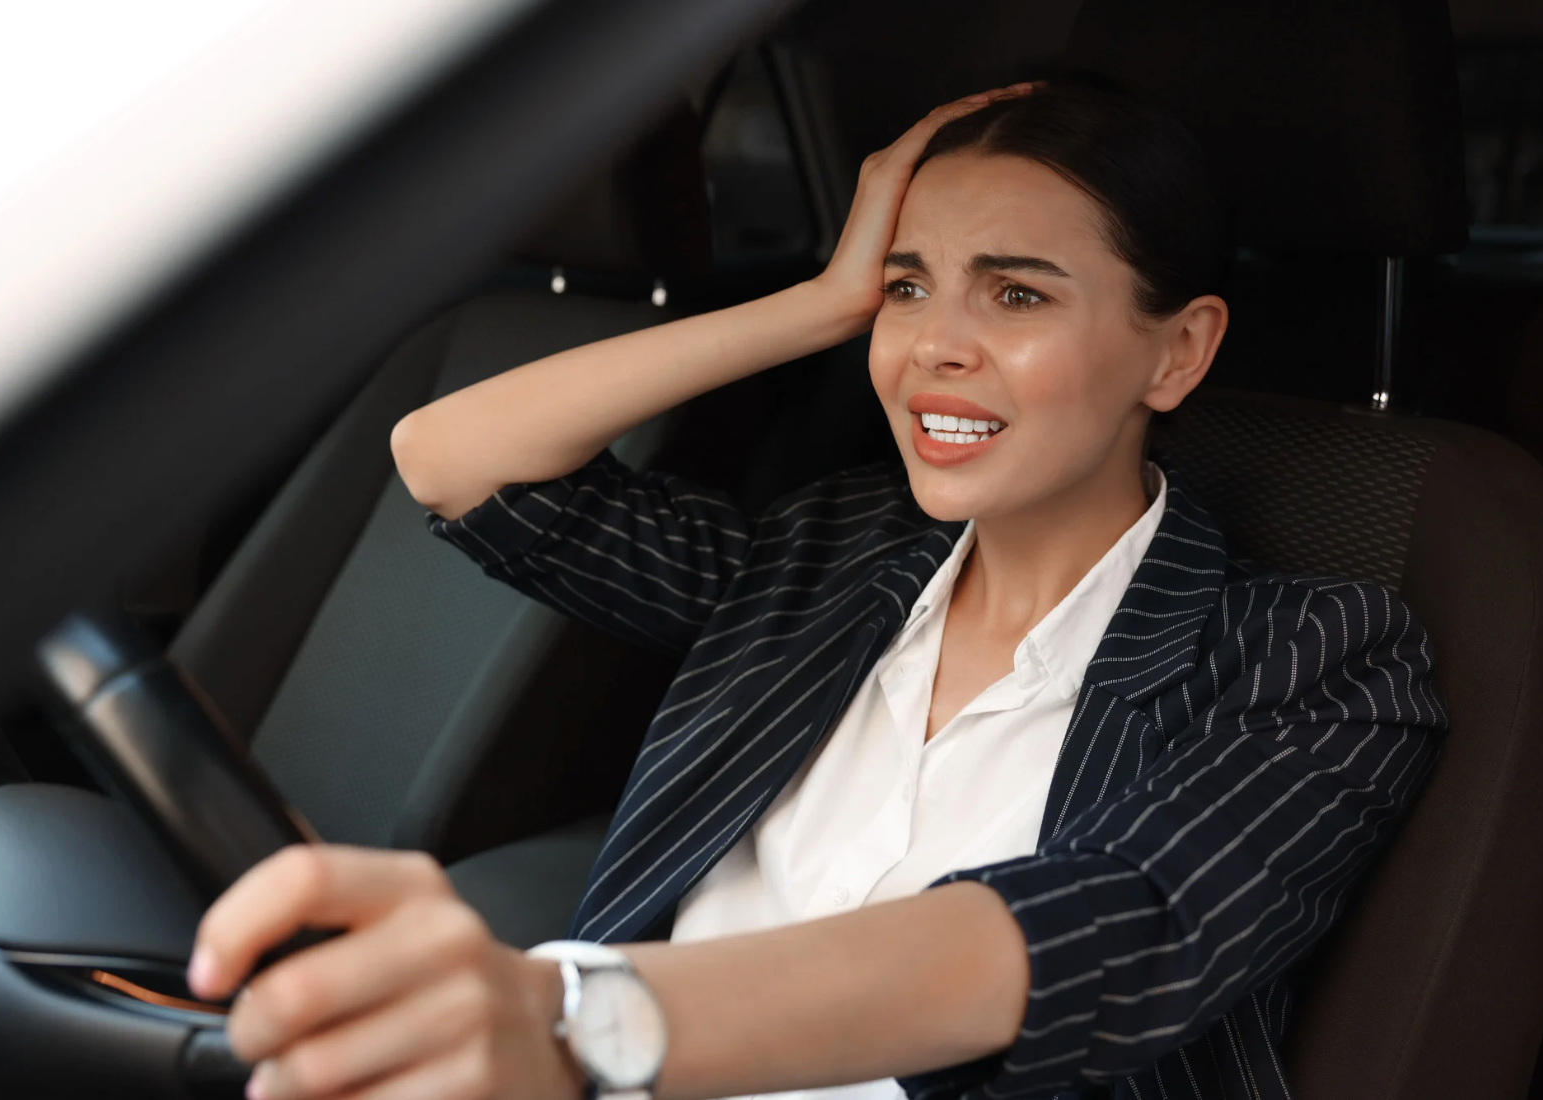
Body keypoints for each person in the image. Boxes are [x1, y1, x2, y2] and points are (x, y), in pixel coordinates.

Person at [186, 78, 1446, 1100]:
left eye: (1013, 293)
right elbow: (449, 464)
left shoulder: (1313, 656)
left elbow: (1084, 934)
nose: (931, 345)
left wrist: (575, 1019)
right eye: (907, 286)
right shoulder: (827, 557)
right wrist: (811, 306)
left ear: (1176, 349)